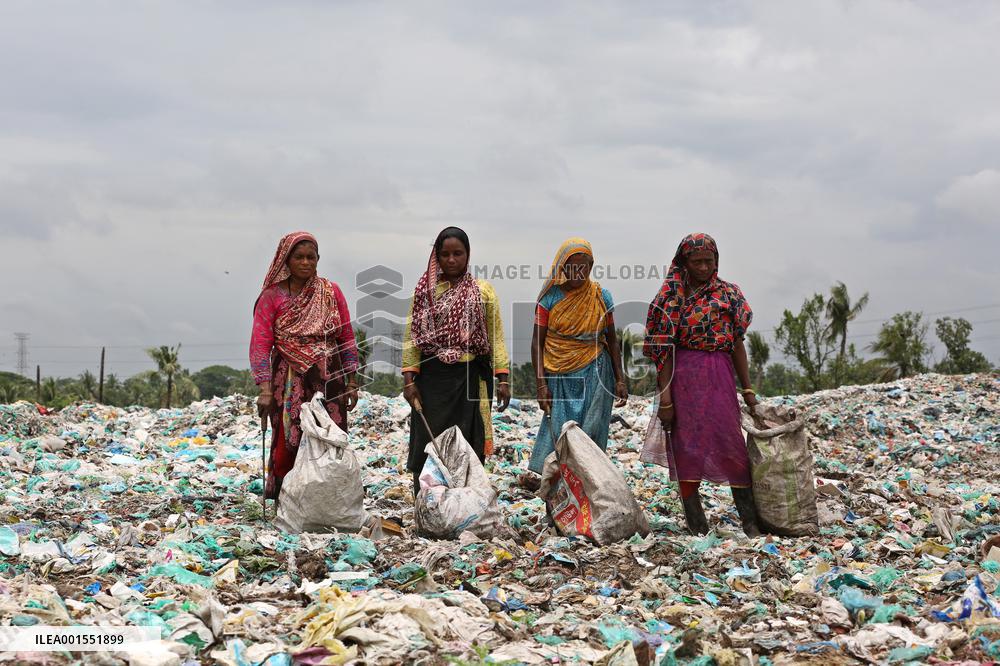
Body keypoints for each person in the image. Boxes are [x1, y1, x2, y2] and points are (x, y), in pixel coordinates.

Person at [643, 232, 760, 536]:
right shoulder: (670, 300)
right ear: (684, 262)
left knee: (730, 442)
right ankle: (697, 524)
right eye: (697, 262)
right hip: (684, 378)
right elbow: (663, 354)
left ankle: (749, 520)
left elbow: (736, 344)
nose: (705, 267)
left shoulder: (729, 295)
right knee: (688, 449)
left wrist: (748, 391)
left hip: (720, 376)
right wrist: (665, 402)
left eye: (709, 261)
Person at [402, 227, 511, 496]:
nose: (452, 260)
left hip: (468, 378)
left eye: (458, 253)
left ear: (468, 254)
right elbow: (412, 336)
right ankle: (426, 503)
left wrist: (503, 378)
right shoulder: (425, 291)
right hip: (431, 379)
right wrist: (408, 381)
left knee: (469, 440)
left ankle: (467, 501)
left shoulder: (482, 292)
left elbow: (495, 336)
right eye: (445, 254)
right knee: (428, 441)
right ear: (436, 257)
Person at [250, 232, 359, 500]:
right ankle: (288, 497)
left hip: (328, 376)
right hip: (287, 376)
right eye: (299, 257)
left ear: (318, 259)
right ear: (286, 260)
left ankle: (327, 499)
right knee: (289, 434)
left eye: (311, 257)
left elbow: (346, 338)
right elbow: (260, 345)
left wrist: (352, 382)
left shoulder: (331, 292)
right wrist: (264, 390)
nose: (306, 262)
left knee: (329, 434)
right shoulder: (271, 297)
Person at [522, 238, 628, 486]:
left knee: (591, 431)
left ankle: (587, 485)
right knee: (561, 432)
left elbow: (612, 341)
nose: (577, 273)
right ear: (561, 267)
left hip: (596, 371)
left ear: (591, 267)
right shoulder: (549, 300)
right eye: (571, 267)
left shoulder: (602, 296)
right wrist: (541, 386)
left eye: (584, 267)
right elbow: (537, 343)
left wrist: (620, 379)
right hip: (560, 376)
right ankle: (558, 487)